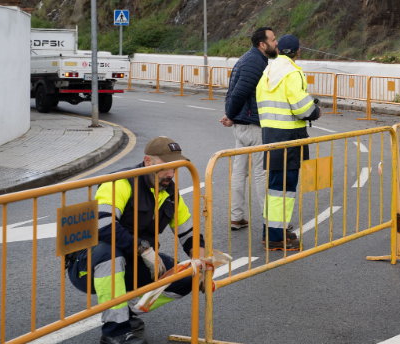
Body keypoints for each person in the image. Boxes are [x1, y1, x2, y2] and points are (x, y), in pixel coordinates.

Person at [66, 137, 205, 344]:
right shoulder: (121, 182)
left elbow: (189, 234)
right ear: (147, 161)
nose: (171, 173)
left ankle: (125, 312)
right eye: (166, 166)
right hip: (89, 265)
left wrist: (200, 261)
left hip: (132, 260)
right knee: (110, 253)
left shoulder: (169, 191)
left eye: (175, 167)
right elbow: (102, 225)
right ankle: (115, 332)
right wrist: (143, 249)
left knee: (185, 277)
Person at [256, 34, 321, 251]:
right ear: (297, 52)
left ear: (278, 49)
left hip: (270, 136)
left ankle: (273, 231)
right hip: (290, 138)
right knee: (285, 189)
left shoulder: (268, 71)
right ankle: (276, 237)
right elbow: (302, 108)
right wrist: (315, 111)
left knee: (276, 187)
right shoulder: (293, 72)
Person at [220, 27, 282, 233]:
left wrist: (231, 115)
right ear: (262, 44)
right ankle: (272, 221)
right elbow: (239, 92)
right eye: (273, 40)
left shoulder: (248, 58)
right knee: (261, 173)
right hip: (253, 126)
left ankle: (237, 217)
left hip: (242, 125)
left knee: (239, 171)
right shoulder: (256, 61)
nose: (276, 44)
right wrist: (230, 114)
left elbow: (234, 90)